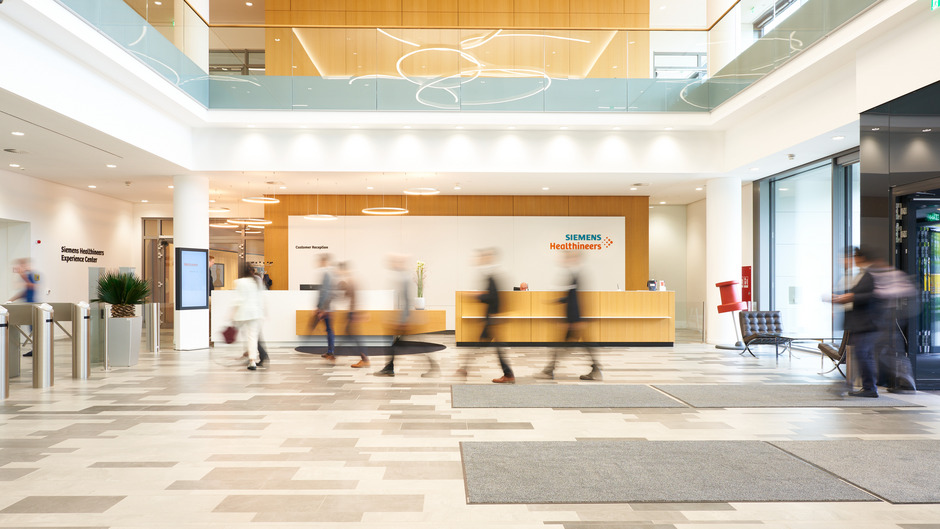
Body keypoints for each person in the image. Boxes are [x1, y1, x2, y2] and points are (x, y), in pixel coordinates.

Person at [536, 250, 601, 381]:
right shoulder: (574, 274)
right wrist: (556, 301)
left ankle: (549, 370)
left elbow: (576, 300)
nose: (564, 260)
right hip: (575, 318)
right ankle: (595, 370)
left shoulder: (576, 275)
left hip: (575, 318)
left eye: (568, 257)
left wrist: (574, 320)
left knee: (567, 346)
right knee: (578, 345)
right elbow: (571, 297)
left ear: (575, 259)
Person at [374, 254, 439, 377]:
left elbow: (407, 300)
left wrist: (404, 321)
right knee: (400, 344)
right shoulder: (402, 277)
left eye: (395, 262)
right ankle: (389, 367)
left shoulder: (404, 279)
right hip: (406, 320)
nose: (393, 264)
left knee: (412, 345)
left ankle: (433, 367)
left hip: (407, 321)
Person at [458, 248, 514, 383]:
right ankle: (465, 368)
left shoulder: (492, 276)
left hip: (493, 318)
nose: (481, 259)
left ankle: (508, 374)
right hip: (493, 317)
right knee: (483, 344)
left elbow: (493, 297)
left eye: (484, 257)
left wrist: (477, 296)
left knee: (487, 345)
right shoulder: (491, 274)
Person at [831, 247, 881, 397]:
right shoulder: (861, 274)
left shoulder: (870, 274)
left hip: (866, 322)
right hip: (859, 322)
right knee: (863, 354)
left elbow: (870, 295)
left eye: (853, 257)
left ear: (859, 258)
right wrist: (840, 298)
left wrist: (849, 297)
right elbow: (855, 293)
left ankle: (869, 388)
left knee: (862, 353)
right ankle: (867, 387)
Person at [232, 263, 265, 371]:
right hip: (255, 313)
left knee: (245, 335)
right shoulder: (255, 282)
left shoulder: (239, 282)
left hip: (243, 313)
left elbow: (238, 300)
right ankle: (252, 360)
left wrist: (232, 314)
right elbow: (260, 297)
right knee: (252, 337)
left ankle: (248, 353)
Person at [309, 254, 337, 361]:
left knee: (329, 330)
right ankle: (330, 351)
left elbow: (325, 292)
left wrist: (321, 308)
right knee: (329, 329)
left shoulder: (326, 274)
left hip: (326, 308)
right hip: (328, 307)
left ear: (324, 262)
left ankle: (331, 352)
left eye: (320, 261)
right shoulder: (331, 273)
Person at [9, 258, 39, 357]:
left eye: (22, 265)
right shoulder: (27, 276)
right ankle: (35, 349)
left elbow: (33, 286)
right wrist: (11, 300)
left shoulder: (35, 275)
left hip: (33, 305)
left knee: (34, 328)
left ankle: (38, 349)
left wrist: (22, 275)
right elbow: (25, 292)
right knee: (31, 328)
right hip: (27, 305)